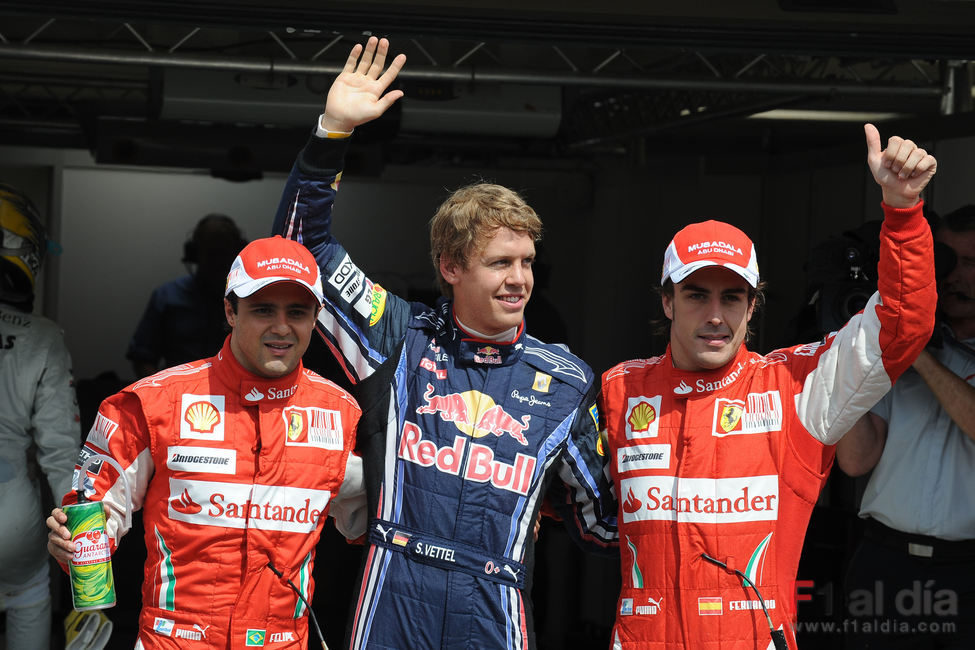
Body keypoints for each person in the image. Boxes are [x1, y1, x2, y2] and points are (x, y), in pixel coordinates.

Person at [273, 37, 616, 649]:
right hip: (392, 594)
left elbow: (605, 522)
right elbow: (299, 253)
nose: (520, 279)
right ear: (451, 267)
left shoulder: (567, 381)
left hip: (495, 605)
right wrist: (332, 133)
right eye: (500, 262)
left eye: (527, 262)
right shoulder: (398, 334)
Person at [599, 125, 937, 649]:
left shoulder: (797, 388)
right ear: (667, 301)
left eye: (732, 297)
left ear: (753, 306)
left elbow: (901, 327)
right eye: (696, 295)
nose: (715, 316)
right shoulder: (619, 392)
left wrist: (903, 209)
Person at [46, 235, 365, 649]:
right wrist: (72, 547)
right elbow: (92, 517)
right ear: (231, 311)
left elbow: (377, 526)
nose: (281, 327)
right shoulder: (152, 403)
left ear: (316, 317)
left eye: (297, 312)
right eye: (263, 309)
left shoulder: (343, 416)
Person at [836, 205, 975, 649]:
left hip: (966, 569)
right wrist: (852, 355)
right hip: (885, 561)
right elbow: (855, 460)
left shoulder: (914, 352)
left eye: (969, 263)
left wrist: (919, 355)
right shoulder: (897, 349)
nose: (953, 277)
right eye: (945, 262)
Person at [0, 183, 80, 650]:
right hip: (12, 522)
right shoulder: (42, 336)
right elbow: (62, 456)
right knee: (29, 595)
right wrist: (89, 575)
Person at [126, 213, 247, 378]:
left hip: (236, 390)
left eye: (224, 252)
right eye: (212, 253)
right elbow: (142, 358)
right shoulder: (167, 296)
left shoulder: (248, 298)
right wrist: (162, 391)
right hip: (178, 390)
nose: (218, 261)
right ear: (195, 254)